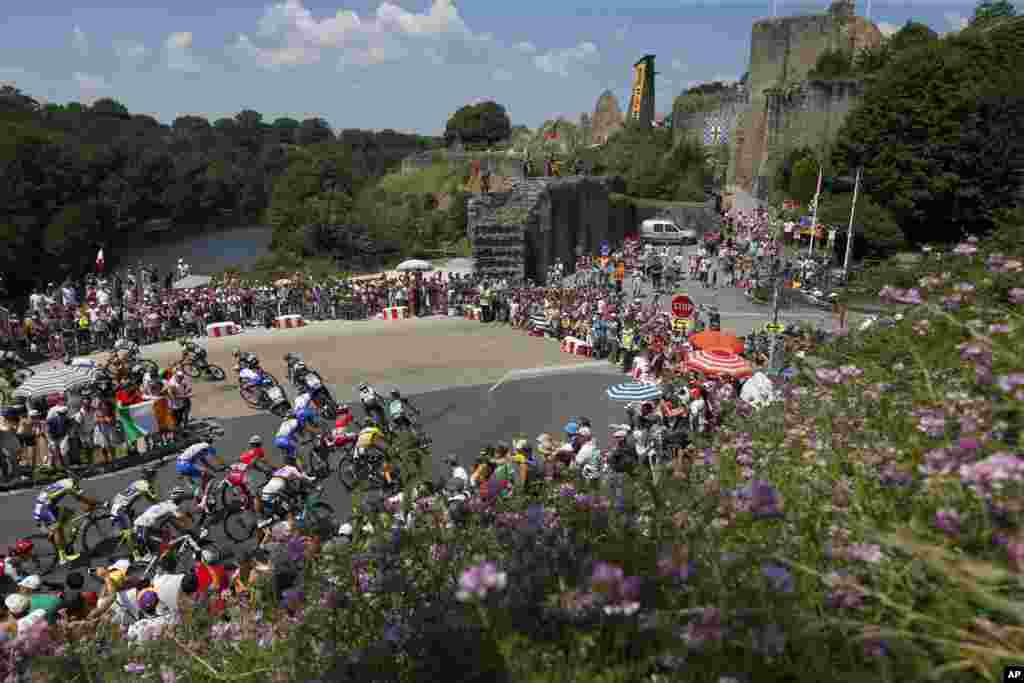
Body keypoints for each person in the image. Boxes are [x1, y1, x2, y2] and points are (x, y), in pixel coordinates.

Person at [32, 475, 99, 565]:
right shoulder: (70, 484)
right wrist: (98, 503)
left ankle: (62, 541)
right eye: (79, 478)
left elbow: (80, 499)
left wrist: (88, 504)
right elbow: (81, 498)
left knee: (69, 513)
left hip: (47, 506)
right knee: (57, 528)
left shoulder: (65, 481)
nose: (80, 480)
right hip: (44, 509)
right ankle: (62, 557)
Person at [258, 454, 316, 543]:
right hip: (272, 496)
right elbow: (303, 479)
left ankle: (277, 523)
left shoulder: (281, 469)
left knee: (286, 502)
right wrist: (314, 486)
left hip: (266, 493)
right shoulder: (292, 469)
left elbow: (285, 486)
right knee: (289, 511)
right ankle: (287, 532)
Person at [133, 487, 193, 562]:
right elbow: (182, 518)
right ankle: (145, 557)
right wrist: (189, 524)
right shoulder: (172, 507)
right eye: (182, 498)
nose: (182, 500)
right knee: (156, 544)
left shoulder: (166, 503)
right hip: (143, 525)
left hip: (143, 523)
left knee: (165, 538)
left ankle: (153, 555)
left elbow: (172, 520)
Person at [110, 465, 160, 534]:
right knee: (132, 532)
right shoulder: (146, 486)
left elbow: (149, 498)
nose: (155, 478)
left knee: (134, 519)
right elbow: (154, 500)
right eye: (154, 475)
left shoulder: (137, 482)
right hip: (120, 509)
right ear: (150, 476)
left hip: (117, 504)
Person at [174, 441, 222, 511]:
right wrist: (225, 465)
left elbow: (204, 461)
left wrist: (214, 469)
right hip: (186, 465)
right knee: (211, 477)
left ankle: (200, 500)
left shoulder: (199, 447)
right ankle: (204, 501)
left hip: (179, 465)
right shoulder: (207, 445)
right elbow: (217, 457)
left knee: (197, 484)